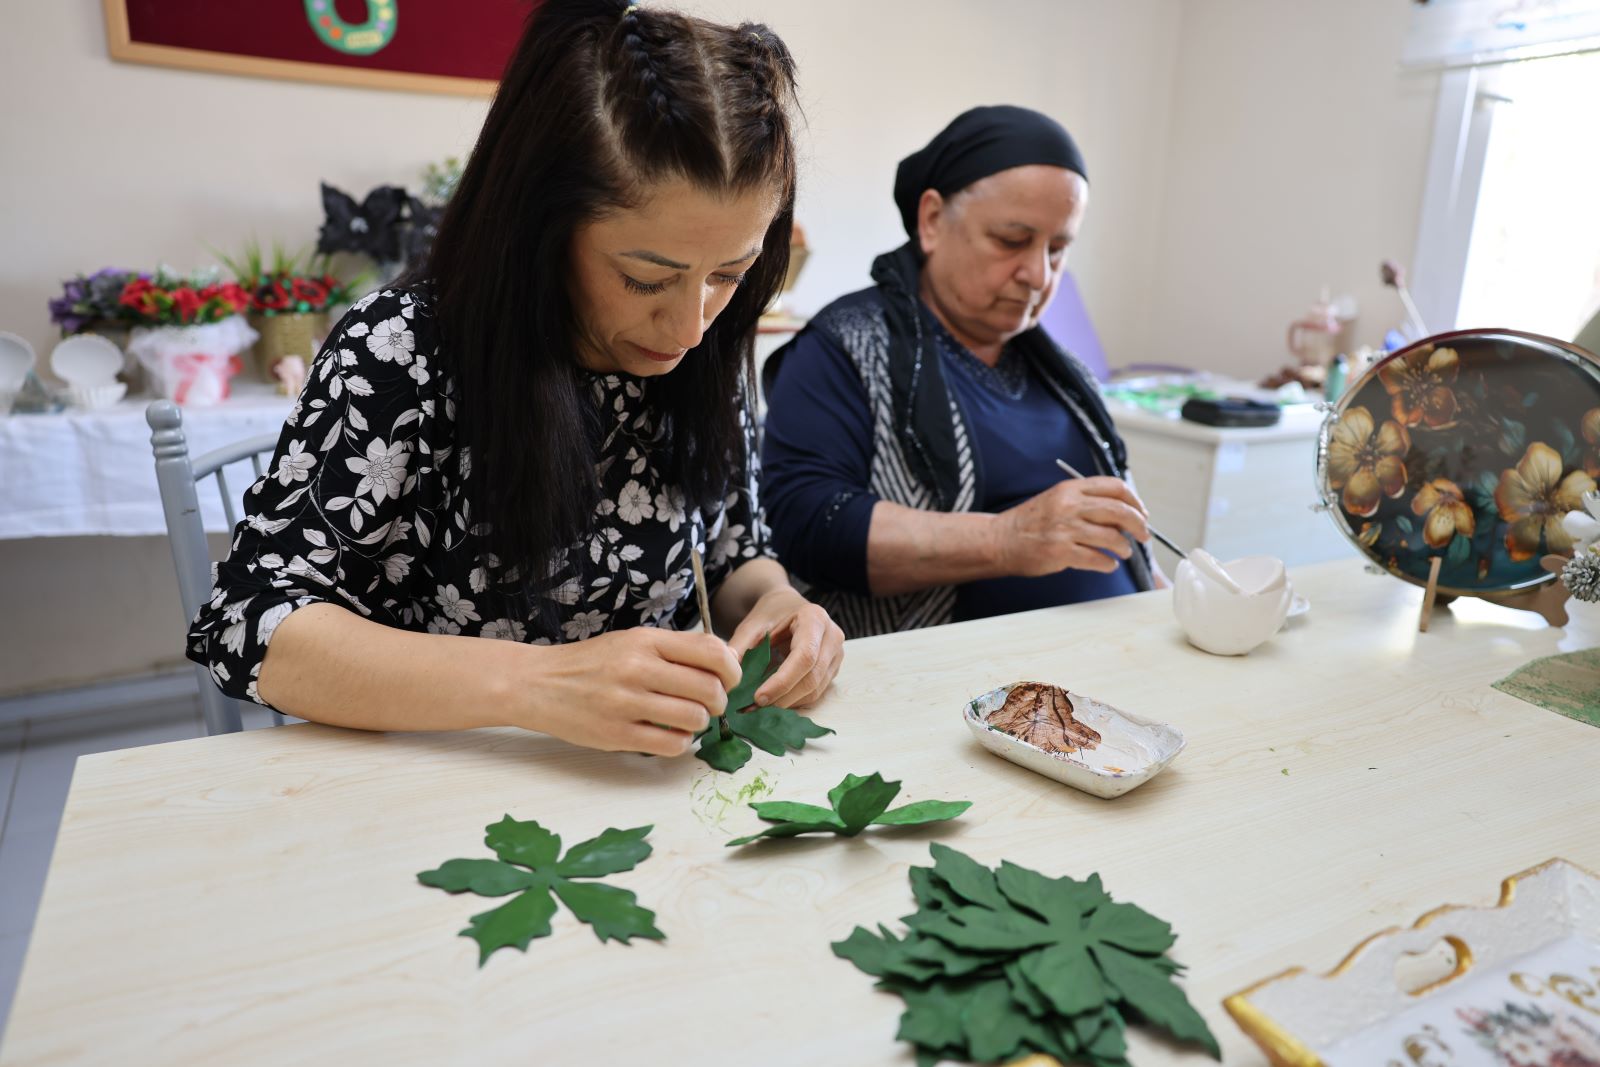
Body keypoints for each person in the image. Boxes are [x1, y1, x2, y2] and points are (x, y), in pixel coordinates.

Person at [187, 0, 844, 756]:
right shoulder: (404, 349)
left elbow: (732, 552)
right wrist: (537, 684)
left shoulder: (701, 346)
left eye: (730, 273)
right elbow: (253, 623)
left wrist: (779, 601)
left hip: (639, 778)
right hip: (428, 775)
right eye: (643, 279)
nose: (691, 326)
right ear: (542, 228)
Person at [760, 105, 1161, 639]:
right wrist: (1006, 539)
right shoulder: (845, 346)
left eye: (1059, 249)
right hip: (945, 690)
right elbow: (807, 524)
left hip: (1110, 668)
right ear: (931, 220)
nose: (1039, 275)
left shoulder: (1067, 376)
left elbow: (1128, 541)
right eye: (1012, 240)